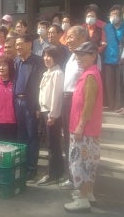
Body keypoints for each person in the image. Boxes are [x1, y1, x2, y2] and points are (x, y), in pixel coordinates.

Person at [65, 41, 104, 212]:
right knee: (88, 163)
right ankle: (88, 193)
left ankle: (82, 199)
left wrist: (80, 126)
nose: (78, 58)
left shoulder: (90, 76)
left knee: (78, 163)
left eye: (82, 55)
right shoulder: (90, 73)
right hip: (89, 129)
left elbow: (89, 104)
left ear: (93, 56)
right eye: (77, 55)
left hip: (83, 129)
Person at [58, 24, 90, 190]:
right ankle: (71, 176)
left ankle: (80, 179)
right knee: (67, 139)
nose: (68, 40)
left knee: (77, 140)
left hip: (77, 100)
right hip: (66, 99)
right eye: (67, 36)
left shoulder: (89, 57)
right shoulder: (72, 56)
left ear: (83, 37)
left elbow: (90, 82)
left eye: (71, 36)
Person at [13, 33, 44, 180]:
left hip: (31, 103)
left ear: (29, 44)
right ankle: (22, 166)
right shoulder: (16, 61)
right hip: (17, 102)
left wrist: (38, 106)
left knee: (32, 136)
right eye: (16, 45)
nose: (18, 47)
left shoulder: (38, 61)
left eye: (20, 44)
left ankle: (32, 168)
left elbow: (41, 85)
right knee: (21, 135)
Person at [35, 46, 65, 185]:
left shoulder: (57, 73)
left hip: (51, 113)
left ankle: (52, 174)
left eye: (49, 56)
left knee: (52, 145)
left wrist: (53, 115)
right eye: (45, 55)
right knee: (51, 144)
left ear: (56, 58)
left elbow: (56, 96)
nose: (46, 58)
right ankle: (58, 172)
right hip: (45, 111)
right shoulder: (48, 72)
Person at [102, 4, 124, 111]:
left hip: (121, 60)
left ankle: (118, 105)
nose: (113, 17)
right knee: (109, 84)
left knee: (119, 84)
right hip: (108, 59)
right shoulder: (106, 27)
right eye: (111, 15)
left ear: (120, 16)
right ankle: (110, 105)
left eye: (115, 14)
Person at [0, 57, 17, 142]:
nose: (1, 68)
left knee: (12, 145)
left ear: (10, 67)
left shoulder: (15, 82)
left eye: (4, 65)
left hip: (13, 120)